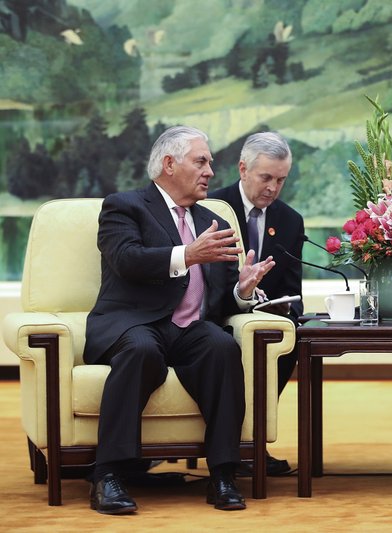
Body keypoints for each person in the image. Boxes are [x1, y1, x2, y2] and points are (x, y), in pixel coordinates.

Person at [84, 126, 274, 515]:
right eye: (201, 161)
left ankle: (223, 474)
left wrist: (242, 290)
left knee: (222, 346)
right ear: (169, 164)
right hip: (134, 324)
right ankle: (108, 475)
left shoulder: (211, 221)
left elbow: (218, 301)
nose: (209, 171)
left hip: (188, 330)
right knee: (140, 350)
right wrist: (186, 255)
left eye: (210, 163)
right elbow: (127, 260)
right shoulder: (125, 206)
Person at [209, 131, 303, 476]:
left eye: (281, 180)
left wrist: (285, 308)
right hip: (216, 312)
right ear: (243, 168)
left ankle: (252, 441)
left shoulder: (291, 221)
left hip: (264, 319)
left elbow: (294, 289)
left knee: (288, 334)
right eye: (266, 178)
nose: (273, 188)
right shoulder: (211, 210)